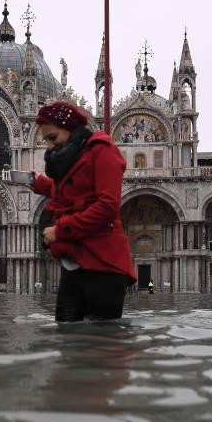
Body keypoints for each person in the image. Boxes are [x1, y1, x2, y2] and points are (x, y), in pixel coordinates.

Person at [31, 101, 136, 322]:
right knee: (66, 336)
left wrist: (59, 231)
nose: (49, 147)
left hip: (103, 264)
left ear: (71, 129)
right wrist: (40, 183)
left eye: (53, 138)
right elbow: (75, 192)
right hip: (74, 261)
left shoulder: (103, 151)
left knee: (101, 341)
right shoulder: (72, 157)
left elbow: (107, 206)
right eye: (46, 140)